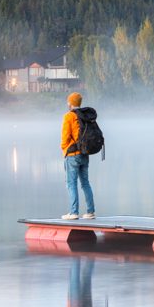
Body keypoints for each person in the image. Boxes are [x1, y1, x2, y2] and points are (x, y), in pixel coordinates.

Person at [61, 92, 96, 220]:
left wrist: (64, 149)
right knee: (85, 183)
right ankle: (90, 212)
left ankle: (73, 212)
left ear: (71, 103)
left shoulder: (68, 116)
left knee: (71, 183)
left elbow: (65, 137)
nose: (67, 103)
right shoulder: (85, 116)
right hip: (85, 154)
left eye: (68, 101)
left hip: (72, 155)